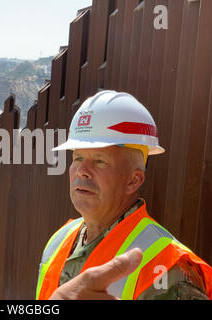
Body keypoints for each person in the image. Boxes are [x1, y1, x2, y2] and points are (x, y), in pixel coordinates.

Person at [36, 90, 212, 300]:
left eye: (100, 160)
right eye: (78, 157)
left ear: (133, 180)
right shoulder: (59, 241)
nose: (82, 170)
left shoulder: (167, 265)